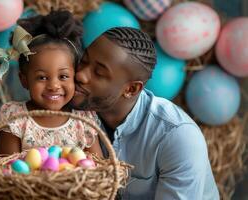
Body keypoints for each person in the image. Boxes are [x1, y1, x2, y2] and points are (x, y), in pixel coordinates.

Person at [70, 27, 219, 199]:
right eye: (84, 60)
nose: (80, 75)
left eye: (99, 73)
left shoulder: (177, 136)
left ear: (131, 89)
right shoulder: (76, 115)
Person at [0, 10, 103, 157]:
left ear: (74, 77)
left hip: (78, 181)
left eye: (63, 76)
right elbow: (7, 169)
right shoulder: (15, 117)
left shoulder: (83, 121)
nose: (54, 86)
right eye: (42, 78)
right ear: (24, 80)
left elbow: (98, 168)